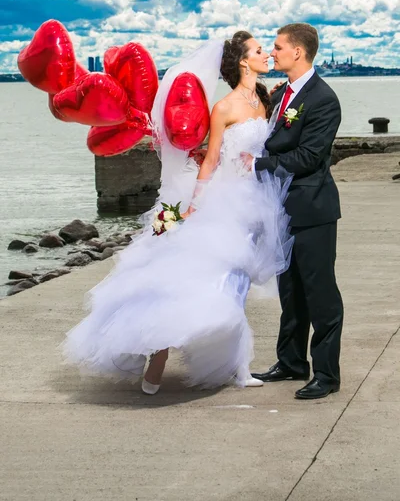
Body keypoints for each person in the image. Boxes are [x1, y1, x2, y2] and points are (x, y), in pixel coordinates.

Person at [63, 32, 293, 394]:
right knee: (200, 277)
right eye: (259, 50)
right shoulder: (224, 108)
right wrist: (195, 203)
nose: (266, 54)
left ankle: (236, 365)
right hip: (227, 199)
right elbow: (213, 158)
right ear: (243, 62)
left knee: (239, 284)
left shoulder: (267, 98)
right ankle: (160, 349)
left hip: (257, 202)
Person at [241, 23, 344, 400]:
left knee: (321, 293)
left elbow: (309, 156)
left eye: (279, 47)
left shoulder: (323, 99)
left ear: (298, 52)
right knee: (291, 291)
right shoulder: (283, 92)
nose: (274, 52)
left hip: (313, 208)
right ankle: (291, 362)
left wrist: (256, 165)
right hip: (282, 208)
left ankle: (327, 374)